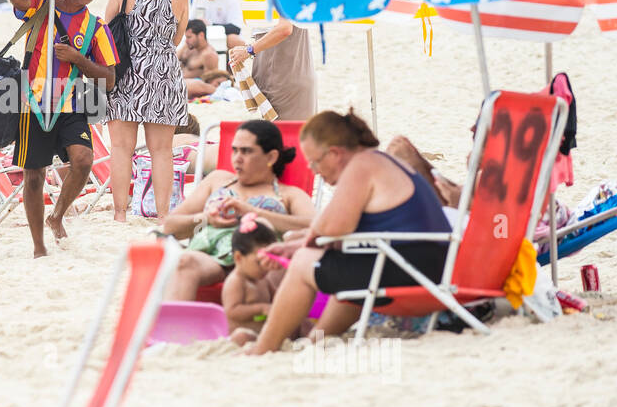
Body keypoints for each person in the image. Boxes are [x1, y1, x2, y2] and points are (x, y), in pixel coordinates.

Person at [243, 110, 453, 355]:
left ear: (334, 153)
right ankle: (316, 340)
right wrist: (294, 244)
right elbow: (331, 227)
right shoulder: (378, 161)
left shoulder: (361, 166)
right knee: (341, 264)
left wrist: (299, 247)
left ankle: (263, 348)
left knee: (304, 264)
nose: (314, 170)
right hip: (430, 266)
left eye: (315, 162)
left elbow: (333, 228)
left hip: (411, 270)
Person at [8, 0, 119, 257]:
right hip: (32, 104)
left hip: (70, 105)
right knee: (34, 179)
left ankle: (57, 215)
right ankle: (39, 245)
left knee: (83, 161)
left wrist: (77, 59)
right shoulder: (42, 6)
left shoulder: (96, 27)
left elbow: (108, 79)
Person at [162, 120, 314, 300]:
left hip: (258, 261)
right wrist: (206, 219)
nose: (237, 158)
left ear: (271, 157)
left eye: (246, 151)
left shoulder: (288, 194)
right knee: (185, 262)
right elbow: (169, 225)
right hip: (212, 256)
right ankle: (176, 326)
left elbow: (314, 225)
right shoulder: (218, 180)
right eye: (234, 150)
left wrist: (252, 212)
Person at [104, 0, 188, 223]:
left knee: (121, 149)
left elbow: (107, 29)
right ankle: (163, 215)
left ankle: (119, 215)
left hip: (128, 72)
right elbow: (177, 39)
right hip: (165, 73)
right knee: (162, 151)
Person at [228, 0, 317, 120]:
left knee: (288, 141)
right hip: (279, 81)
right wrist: (247, 48)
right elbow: (272, 36)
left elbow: (284, 29)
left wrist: (249, 50)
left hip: (286, 82)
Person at [223, 216, 285, 345]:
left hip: (264, 333)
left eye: (267, 261)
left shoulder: (263, 279)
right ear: (239, 257)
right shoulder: (236, 281)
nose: (265, 267)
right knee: (241, 336)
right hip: (244, 332)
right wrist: (261, 308)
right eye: (259, 262)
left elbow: (277, 297)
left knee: (300, 324)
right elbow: (232, 311)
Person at [180, 20, 220, 99]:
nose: (186, 40)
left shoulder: (209, 55)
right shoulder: (190, 48)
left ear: (201, 35)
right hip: (180, 81)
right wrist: (184, 47)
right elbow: (173, 59)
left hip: (193, 85)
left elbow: (210, 84)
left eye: (189, 37)